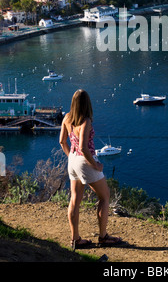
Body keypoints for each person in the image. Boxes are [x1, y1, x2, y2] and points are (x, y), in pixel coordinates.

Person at [59, 89, 122, 249]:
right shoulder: (85, 121)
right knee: (105, 196)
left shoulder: (66, 117)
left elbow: (62, 141)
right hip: (85, 160)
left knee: (75, 200)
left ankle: (76, 240)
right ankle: (103, 237)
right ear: (87, 103)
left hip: (72, 159)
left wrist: (71, 158)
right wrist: (96, 165)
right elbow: (84, 147)